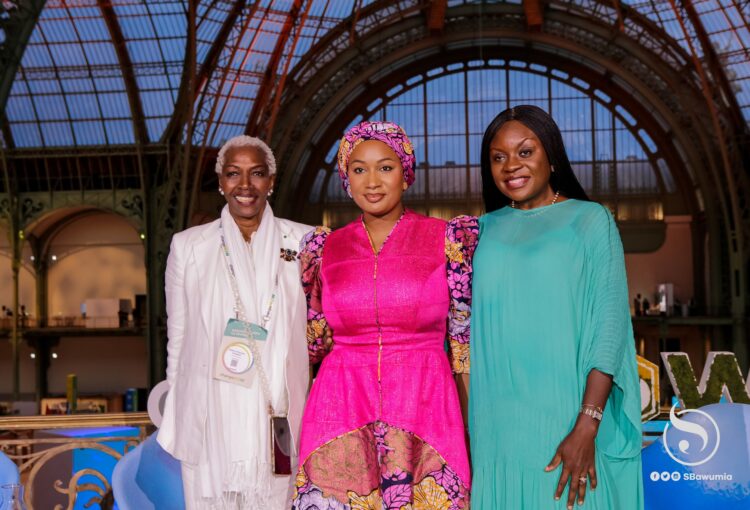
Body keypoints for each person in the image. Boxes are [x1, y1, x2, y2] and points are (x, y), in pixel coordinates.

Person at [292, 121, 476, 509]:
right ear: (346, 179)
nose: (372, 181)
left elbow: (462, 345)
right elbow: (313, 342)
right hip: (339, 405)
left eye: (385, 167)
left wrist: (471, 422)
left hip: (425, 402)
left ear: (405, 174)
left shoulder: (447, 239)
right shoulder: (324, 248)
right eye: (359, 169)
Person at [469, 105, 643, 509]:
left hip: (566, 417)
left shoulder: (590, 220)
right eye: (498, 157)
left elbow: (610, 328)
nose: (511, 165)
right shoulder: (479, 231)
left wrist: (587, 423)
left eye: (525, 152)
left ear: (551, 156)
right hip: (495, 429)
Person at [157, 135, 312, 509]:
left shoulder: (305, 241)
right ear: (221, 181)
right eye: (233, 173)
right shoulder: (188, 246)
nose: (245, 185)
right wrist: (180, 402)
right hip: (209, 419)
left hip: (279, 412)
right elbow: (179, 336)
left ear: (271, 181)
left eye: (256, 173)